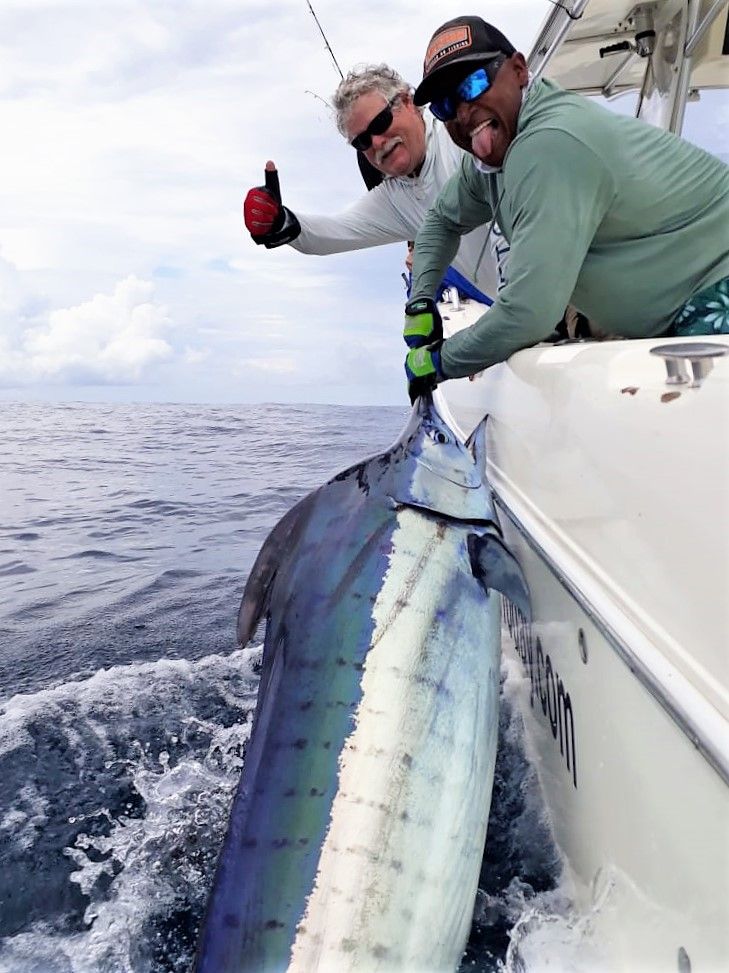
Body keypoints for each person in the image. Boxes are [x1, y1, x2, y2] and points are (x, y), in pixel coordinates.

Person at [402, 15, 729, 400]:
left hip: (716, 286)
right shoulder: (490, 161)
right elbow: (441, 221)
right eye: (444, 105)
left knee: (695, 420)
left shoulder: (547, 144)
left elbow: (528, 314)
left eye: (473, 83)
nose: (462, 112)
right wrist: (420, 302)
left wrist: (438, 363)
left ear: (519, 70)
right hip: (672, 309)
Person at [242, 63, 509, 303]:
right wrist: (280, 221)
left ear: (407, 101)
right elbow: (329, 234)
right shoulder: (395, 199)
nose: (377, 143)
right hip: (522, 325)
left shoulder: (458, 134)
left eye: (380, 122)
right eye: (362, 141)